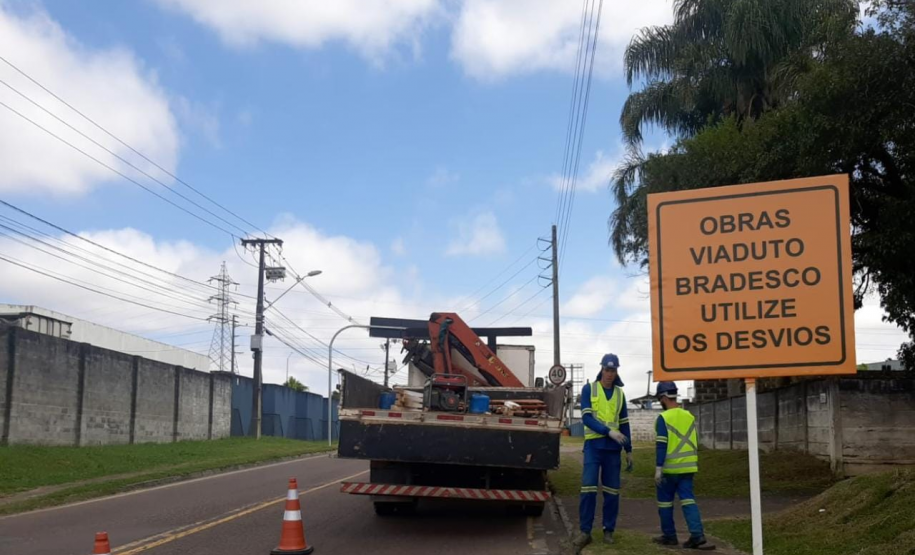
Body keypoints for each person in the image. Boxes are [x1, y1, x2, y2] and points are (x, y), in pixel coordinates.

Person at [571, 353, 633, 552]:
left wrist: (629, 450)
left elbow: (624, 423)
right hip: (594, 447)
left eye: (613, 370)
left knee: (612, 492)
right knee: (588, 489)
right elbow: (587, 418)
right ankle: (585, 532)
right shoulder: (590, 389)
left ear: (616, 372)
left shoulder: (620, 394)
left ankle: (608, 530)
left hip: (613, 450)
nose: (609, 374)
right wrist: (609, 432)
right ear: (601, 369)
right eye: (607, 370)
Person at [652, 381, 713, 550]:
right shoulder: (689, 416)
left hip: (669, 469)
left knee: (665, 503)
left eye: (659, 399)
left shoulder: (664, 418)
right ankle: (697, 535)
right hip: (688, 468)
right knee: (688, 501)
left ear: (664, 397)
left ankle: (669, 536)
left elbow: (662, 445)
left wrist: (658, 468)